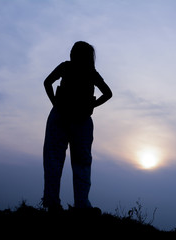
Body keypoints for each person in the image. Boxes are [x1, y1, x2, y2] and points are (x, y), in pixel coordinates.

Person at [42, 41, 112, 213]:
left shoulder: (67, 67)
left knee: (53, 159)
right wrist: (93, 104)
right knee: (81, 163)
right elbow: (108, 93)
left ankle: (53, 203)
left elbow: (47, 82)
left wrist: (55, 103)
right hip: (80, 119)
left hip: (62, 116)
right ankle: (81, 204)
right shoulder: (91, 72)